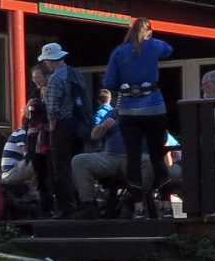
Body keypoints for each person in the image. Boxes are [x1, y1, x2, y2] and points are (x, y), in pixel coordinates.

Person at [103, 17, 174, 220]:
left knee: (133, 158)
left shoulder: (118, 52)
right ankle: (167, 206)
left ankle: (139, 207)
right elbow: (169, 49)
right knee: (157, 157)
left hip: (129, 111)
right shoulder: (154, 45)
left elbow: (109, 81)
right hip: (155, 108)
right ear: (149, 31)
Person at [37, 42, 96, 214]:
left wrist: (53, 129)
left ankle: (66, 207)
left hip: (62, 127)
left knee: (61, 168)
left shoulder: (55, 79)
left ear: (50, 60)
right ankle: (83, 203)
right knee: (78, 165)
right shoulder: (76, 74)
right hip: (79, 126)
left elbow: (52, 109)